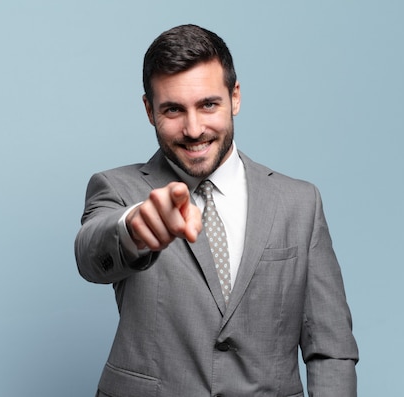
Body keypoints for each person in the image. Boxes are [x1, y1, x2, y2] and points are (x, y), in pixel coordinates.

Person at [75, 24, 359, 397]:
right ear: (149, 110)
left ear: (235, 97)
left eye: (208, 104)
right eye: (173, 110)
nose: (194, 129)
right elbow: (91, 251)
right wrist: (132, 228)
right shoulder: (117, 189)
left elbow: (331, 349)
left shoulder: (300, 203)